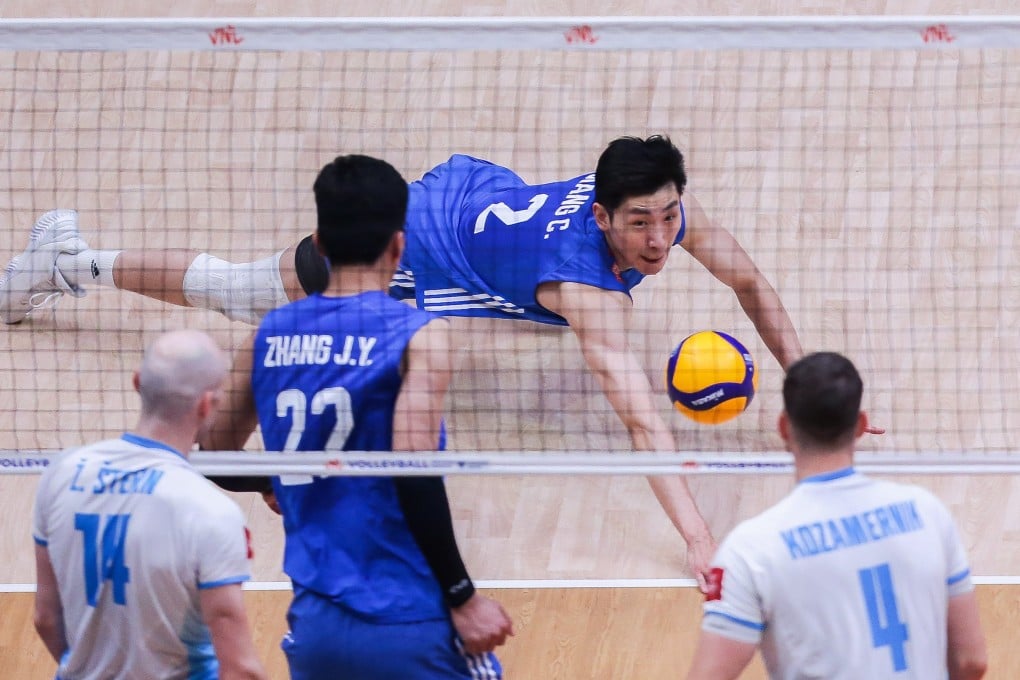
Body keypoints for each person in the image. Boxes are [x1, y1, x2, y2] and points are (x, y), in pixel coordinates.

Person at [3, 136, 810, 585]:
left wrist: (807, 389)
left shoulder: (661, 209)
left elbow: (748, 281)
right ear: (601, 216)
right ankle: (72, 260)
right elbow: (644, 426)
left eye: (669, 217)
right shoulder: (587, 293)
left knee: (548, 300)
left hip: (480, 200)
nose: (661, 239)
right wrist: (699, 537)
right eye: (640, 225)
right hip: (426, 243)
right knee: (244, 290)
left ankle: (512, 288)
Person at [203, 153, 513, 679]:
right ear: (399, 245)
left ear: (319, 245)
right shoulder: (419, 335)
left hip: (316, 631)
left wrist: (275, 475)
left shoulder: (267, 336)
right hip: (412, 621)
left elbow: (211, 456)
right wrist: (463, 596)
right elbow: (411, 471)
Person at [685, 352, 986, 680]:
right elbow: (971, 661)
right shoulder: (927, 513)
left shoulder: (750, 551)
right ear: (860, 425)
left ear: (784, 427)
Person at [31, 329, 267, 680]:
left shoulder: (61, 473)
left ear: (138, 383)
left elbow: (46, 618)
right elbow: (241, 669)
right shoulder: (210, 512)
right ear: (206, 405)